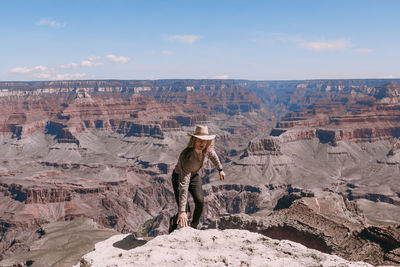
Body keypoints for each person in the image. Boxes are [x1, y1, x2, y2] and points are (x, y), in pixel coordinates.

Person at [169, 125, 226, 233]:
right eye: (199, 140)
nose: (202, 143)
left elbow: (213, 156)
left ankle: (193, 227)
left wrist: (220, 169)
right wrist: (182, 211)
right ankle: (173, 223)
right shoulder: (187, 156)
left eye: (204, 141)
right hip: (179, 177)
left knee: (200, 202)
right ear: (194, 140)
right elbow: (184, 185)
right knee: (186, 212)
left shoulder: (207, 150)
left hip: (194, 176)